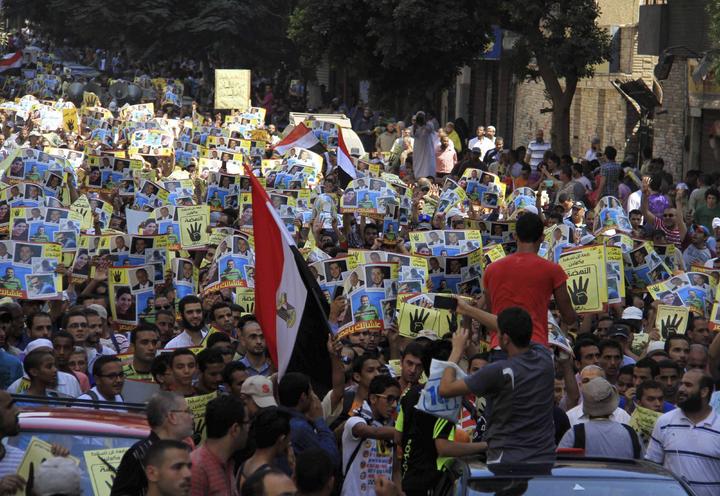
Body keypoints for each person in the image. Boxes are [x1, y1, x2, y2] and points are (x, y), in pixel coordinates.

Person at [440, 307, 554, 470]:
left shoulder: (498, 371)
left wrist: (457, 349)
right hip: (543, 458)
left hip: (506, 462)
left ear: (505, 339)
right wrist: (467, 309)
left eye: (498, 332)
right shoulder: (545, 358)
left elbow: (445, 389)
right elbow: (510, 329)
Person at [479, 213, 576, 351]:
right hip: (535, 346)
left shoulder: (491, 269)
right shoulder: (553, 270)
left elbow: (490, 314)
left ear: (515, 236)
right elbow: (569, 317)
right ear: (542, 238)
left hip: (500, 346)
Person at [645, 370, 720, 496]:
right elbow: (652, 467)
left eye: (688, 385)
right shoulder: (664, 422)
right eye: (681, 384)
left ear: (704, 392)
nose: (681, 389)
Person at [112, 391, 195, 496]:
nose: (192, 416)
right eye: (188, 411)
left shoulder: (186, 449)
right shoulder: (139, 453)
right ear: (172, 417)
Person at [340, 375, 400, 496]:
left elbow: (395, 470)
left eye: (397, 400)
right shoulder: (355, 421)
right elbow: (373, 432)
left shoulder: (391, 426)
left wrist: (399, 492)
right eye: (389, 399)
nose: (394, 405)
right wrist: (403, 431)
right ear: (373, 398)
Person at [559, 377, 642, 459]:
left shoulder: (573, 434)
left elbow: (560, 462)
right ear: (612, 404)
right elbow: (643, 463)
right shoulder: (630, 434)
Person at [191, 395, 250, 496]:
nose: (249, 428)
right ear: (235, 429)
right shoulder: (197, 469)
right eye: (247, 423)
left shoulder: (228, 462)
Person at [277, 372, 339, 462]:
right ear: (303, 397)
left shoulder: (276, 415)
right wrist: (319, 420)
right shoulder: (300, 428)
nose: (314, 396)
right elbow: (331, 459)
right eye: (311, 391)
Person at [237, 408, 292, 488]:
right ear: (281, 439)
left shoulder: (243, 467)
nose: (288, 444)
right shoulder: (272, 479)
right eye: (288, 440)